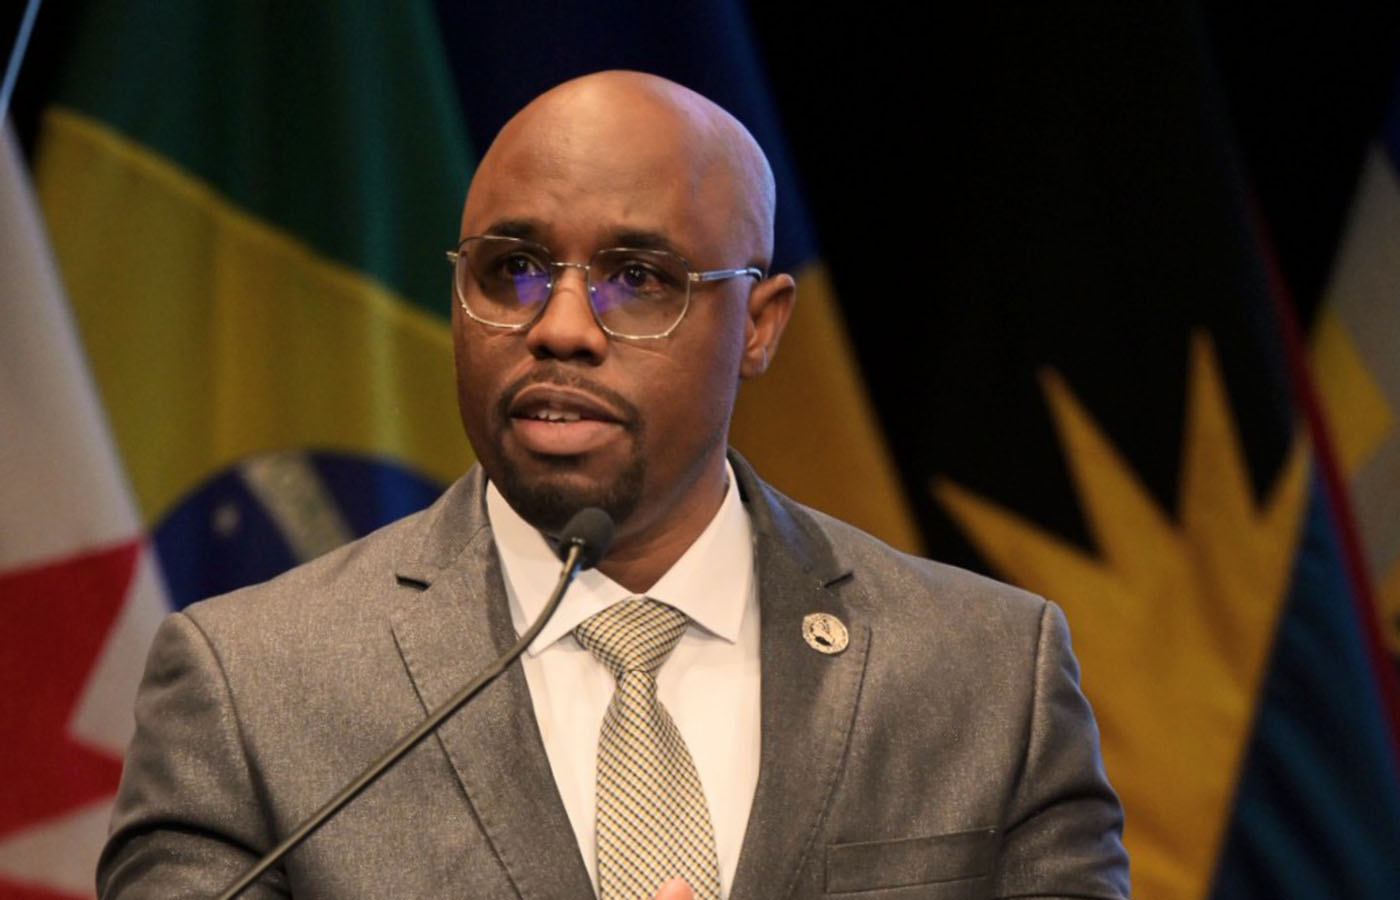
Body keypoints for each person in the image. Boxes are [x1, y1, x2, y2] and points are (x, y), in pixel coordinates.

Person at [98, 71, 1130, 900]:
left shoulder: (985, 677)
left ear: (761, 324)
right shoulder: (251, 690)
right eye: (511, 270)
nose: (559, 327)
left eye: (639, 279)